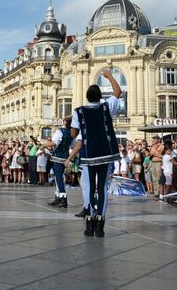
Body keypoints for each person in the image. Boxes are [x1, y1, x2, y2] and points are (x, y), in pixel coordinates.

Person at [65, 69, 122, 238]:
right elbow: (118, 92)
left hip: (89, 155)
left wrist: (76, 127)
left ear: (87, 97)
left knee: (89, 189)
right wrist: (108, 75)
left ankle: (89, 225)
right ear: (99, 97)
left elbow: (74, 134)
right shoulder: (106, 107)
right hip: (105, 153)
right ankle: (100, 225)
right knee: (103, 188)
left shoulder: (79, 112)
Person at [44, 116, 73, 208]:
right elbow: (73, 144)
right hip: (65, 156)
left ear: (65, 122)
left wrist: (43, 145)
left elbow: (54, 142)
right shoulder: (72, 132)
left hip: (58, 157)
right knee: (58, 177)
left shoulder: (60, 131)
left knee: (59, 178)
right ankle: (58, 197)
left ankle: (63, 199)